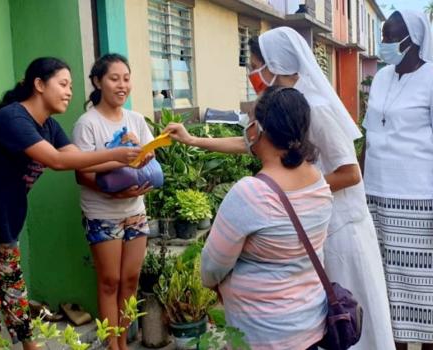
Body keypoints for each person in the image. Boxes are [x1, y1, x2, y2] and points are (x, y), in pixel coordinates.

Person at [166, 27, 394, 350]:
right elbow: (249, 142)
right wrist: (193, 140)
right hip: (306, 221)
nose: (252, 73)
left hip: (337, 226)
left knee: (345, 323)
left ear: (275, 64)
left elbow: (351, 172)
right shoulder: (281, 111)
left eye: (256, 64)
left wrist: (294, 193)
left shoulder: (316, 108)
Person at [0, 57, 140, 350]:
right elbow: (58, 161)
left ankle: (29, 345)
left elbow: (77, 156)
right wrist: (116, 155)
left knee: (14, 290)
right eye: (63, 84)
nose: (69, 91)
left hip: (8, 220)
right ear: (38, 85)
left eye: (71, 86)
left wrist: (118, 146)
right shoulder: (14, 119)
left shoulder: (48, 126)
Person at [202, 86, 332, 349]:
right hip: (310, 326)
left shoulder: (250, 194)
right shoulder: (319, 183)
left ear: (258, 130)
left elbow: (212, 267)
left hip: (261, 333)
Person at [72, 53, 153, 350]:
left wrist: (138, 151)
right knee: (109, 281)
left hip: (136, 211)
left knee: (130, 280)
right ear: (98, 81)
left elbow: (148, 160)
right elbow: (81, 174)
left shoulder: (136, 120)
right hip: (102, 214)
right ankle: (112, 346)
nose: (122, 85)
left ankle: (123, 342)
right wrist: (112, 192)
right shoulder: (88, 123)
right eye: (114, 78)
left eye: (126, 78)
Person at [363, 10, 433, 350]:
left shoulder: (432, 78)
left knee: (422, 290)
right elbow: (369, 135)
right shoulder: (381, 77)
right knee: (384, 287)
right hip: (375, 196)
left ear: (412, 40)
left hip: (419, 201)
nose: (384, 44)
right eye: (384, 36)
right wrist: (359, 189)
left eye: (390, 38)